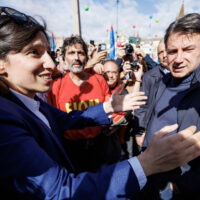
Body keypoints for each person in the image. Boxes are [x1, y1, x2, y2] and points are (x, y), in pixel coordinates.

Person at [1, 7, 200, 200]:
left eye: (47, 52)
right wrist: (146, 163)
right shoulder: (5, 120)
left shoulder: (31, 101)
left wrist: (109, 107)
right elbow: (61, 192)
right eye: (34, 52)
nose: (52, 65)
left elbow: (67, 119)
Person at [138, 13, 200, 199]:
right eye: (172, 51)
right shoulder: (161, 81)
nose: (178, 59)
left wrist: (182, 185)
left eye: (188, 49)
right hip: (150, 176)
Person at [134, 40, 169, 147]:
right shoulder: (149, 76)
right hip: (153, 129)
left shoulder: (185, 73)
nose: (164, 55)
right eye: (160, 52)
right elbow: (141, 106)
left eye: (167, 51)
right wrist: (140, 131)